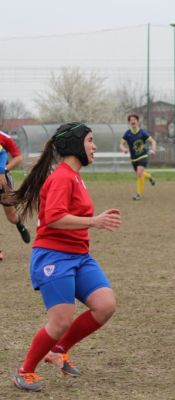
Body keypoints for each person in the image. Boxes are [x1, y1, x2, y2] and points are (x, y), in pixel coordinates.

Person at [9, 123, 122, 392]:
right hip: (54, 257)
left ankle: (58, 350)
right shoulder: (62, 177)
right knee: (60, 321)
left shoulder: (75, 175)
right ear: (75, 145)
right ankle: (24, 371)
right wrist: (94, 221)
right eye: (91, 141)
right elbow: (54, 219)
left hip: (79, 255)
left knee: (105, 305)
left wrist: (92, 222)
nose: (95, 146)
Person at [0, 130, 31, 242]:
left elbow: (18, 157)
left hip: (3, 181)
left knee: (11, 217)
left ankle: (19, 224)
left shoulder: (4, 137)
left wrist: (3, 170)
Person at [120, 113, 157, 201]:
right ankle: (150, 177)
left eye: (134, 119)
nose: (133, 121)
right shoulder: (127, 133)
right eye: (131, 120)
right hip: (133, 158)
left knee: (139, 174)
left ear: (137, 121)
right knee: (140, 174)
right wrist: (124, 149)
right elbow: (121, 144)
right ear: (129, 122)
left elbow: (153, 142)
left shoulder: (143, 133)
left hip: (143, 156)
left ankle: (138, 194)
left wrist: (153, 150)